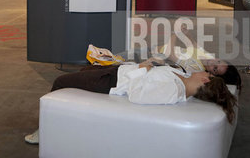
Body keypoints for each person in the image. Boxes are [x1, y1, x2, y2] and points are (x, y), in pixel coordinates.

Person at [24, 61, 237, 144]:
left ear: (205, 79)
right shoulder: (181, 79)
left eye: (206, 73)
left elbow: (138, 95)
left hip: (112, 81)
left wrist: (143, 69)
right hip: (119, 71)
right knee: (83, 70)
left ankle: (44, 131)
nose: (204, 69)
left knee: (61, 81)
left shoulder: (174, 90)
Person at [155, 27, 242, 92]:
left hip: (155, 55)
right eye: (218, 61)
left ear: (212, 75)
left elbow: (169, 53)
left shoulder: (195, 67)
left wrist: (174, 34)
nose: (212, 62)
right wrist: (187, 34)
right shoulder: (208, 57)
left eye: (215, 68)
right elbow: (193, 45)